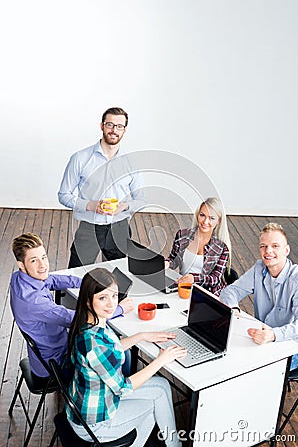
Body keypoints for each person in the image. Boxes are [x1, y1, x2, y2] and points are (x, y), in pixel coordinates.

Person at [67, 268, 186, 446]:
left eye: (114, 296)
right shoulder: (94, 344)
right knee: (155, 404)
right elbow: (123, 388)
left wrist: (141, 335)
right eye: (102, 298)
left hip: (90, 403)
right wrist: (160, 360)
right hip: (96, 423)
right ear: (88, 301)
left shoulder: (92, 325)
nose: (111, 304)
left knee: (162, 385)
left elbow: (111, 351)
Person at [10, 232, 134, 381]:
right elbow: (78, 320)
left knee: (108, 339)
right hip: (56, 364)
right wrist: (119, 309)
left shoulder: (20, 278)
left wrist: (88, 284)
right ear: (21, 265)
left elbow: (52, 280)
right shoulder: (33, 301)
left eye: (43, 257)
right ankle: (118, 395)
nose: (42, 265)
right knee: (122, 352)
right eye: (34, 261)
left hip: (49, 352)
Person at [58, 107, 145, 268]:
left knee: (118, 278)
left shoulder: (131, 163)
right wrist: (91, 205)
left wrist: (124, 206)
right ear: (102, 126)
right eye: (110, 124)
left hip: (119, 228)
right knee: (75, 275)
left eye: (119, 126)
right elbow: (64, 195)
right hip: (89, 228)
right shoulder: (80, 158)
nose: (114, 130)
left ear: (125, 130)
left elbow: (142, 200)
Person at [220, 222, 298, 370]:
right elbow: (229, 291)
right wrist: (234, 310)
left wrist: (273, 335)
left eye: (275, 246)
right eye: (263, 246)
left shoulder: (297, 280)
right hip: (260, 341)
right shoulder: (259, 268)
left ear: (286, 250)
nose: (268, 251)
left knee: (254, 369)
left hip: (291, 346)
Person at [166, 197, 231, 296]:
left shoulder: (221, 248)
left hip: (208, 294)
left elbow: (215, 279)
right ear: (197, 215)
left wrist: (194, 278)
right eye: (202, 215)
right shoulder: (182, 236)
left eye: (212, 218)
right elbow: (173, 261)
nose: (205, 222)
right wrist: (167, 263)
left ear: (218, 221)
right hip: (184, 288)